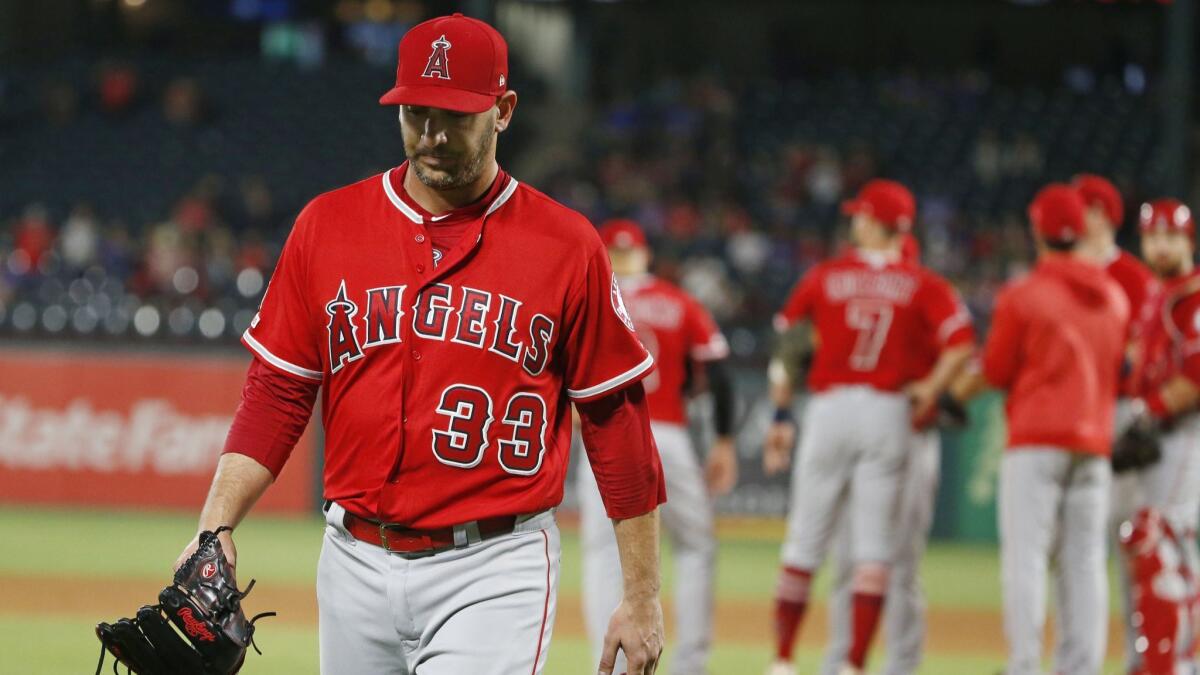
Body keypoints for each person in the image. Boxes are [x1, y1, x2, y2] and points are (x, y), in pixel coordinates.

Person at [174, 14, 667, 675]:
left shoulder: (567, 244)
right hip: (352, 559)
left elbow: (616, 423)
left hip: (494, 565)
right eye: (415, 113)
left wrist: (641, 595)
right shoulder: (327, 225)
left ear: (504, 111)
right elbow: (278, 391)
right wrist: (216, 525)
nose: (431, 135)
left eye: (454, 116)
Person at [764, 180, 974, 675]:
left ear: (872, 222)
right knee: (875, 550)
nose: (853, 221)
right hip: (890, 412)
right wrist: (933, 386)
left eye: (859, 215)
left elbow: (786, 347)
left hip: (831, 407)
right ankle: (854, 664)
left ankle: (783, 659)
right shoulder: (924, 284)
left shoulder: (826, 274)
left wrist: (779, 411)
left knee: (804, 541)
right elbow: (962, 343)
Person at [577, 218, 737, 675]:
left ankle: (606, 664)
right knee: (696, 545)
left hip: (605, 437)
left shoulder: (594, 298)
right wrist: (724, 439)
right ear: (644, 256)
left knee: (602, 553)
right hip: (669, 436)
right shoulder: (678, 301)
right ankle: (691, 664)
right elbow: (719, 371)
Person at [982, 184, 1128, 675]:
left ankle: (1024, 665)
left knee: (1026, 559)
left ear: (1038, 231)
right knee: (1085, 563)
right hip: (1095, 443)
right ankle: (1081, 668)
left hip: (1037, 440)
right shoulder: (1114, 296)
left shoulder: (1024, 294)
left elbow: (997, 371)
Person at [818, 233, 974, 675]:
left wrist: (937, 394)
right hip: (875, 433)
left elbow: (966, 357)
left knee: (897, 563)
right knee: (851, 558)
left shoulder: (925, 299)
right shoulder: (920, 298)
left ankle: (900, 664)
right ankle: (842, 662)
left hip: (911, 441)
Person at [1071, 173, 1162, 671]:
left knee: (1128, 543)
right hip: (1071, 418)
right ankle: (1077, 659)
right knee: (1076, 550)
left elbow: (1145, 356)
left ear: (1102, 214)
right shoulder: (1059, 271)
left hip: (1120, 413)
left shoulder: (1133, 277)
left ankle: (1138, 658)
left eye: (1080, 208)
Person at [1117, 198, 1200, 672]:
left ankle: (1169, 665)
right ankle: (1176, 662)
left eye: (1170, 236)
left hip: (1184, 432)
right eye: (1152, 236)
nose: (1161, 245)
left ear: (1188, 241)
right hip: (1161, 433)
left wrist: (1145, 413)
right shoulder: (1157, 295)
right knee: (1175, 549)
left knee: (1155, 537)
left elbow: (1194, 377)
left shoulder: (1194, 298)